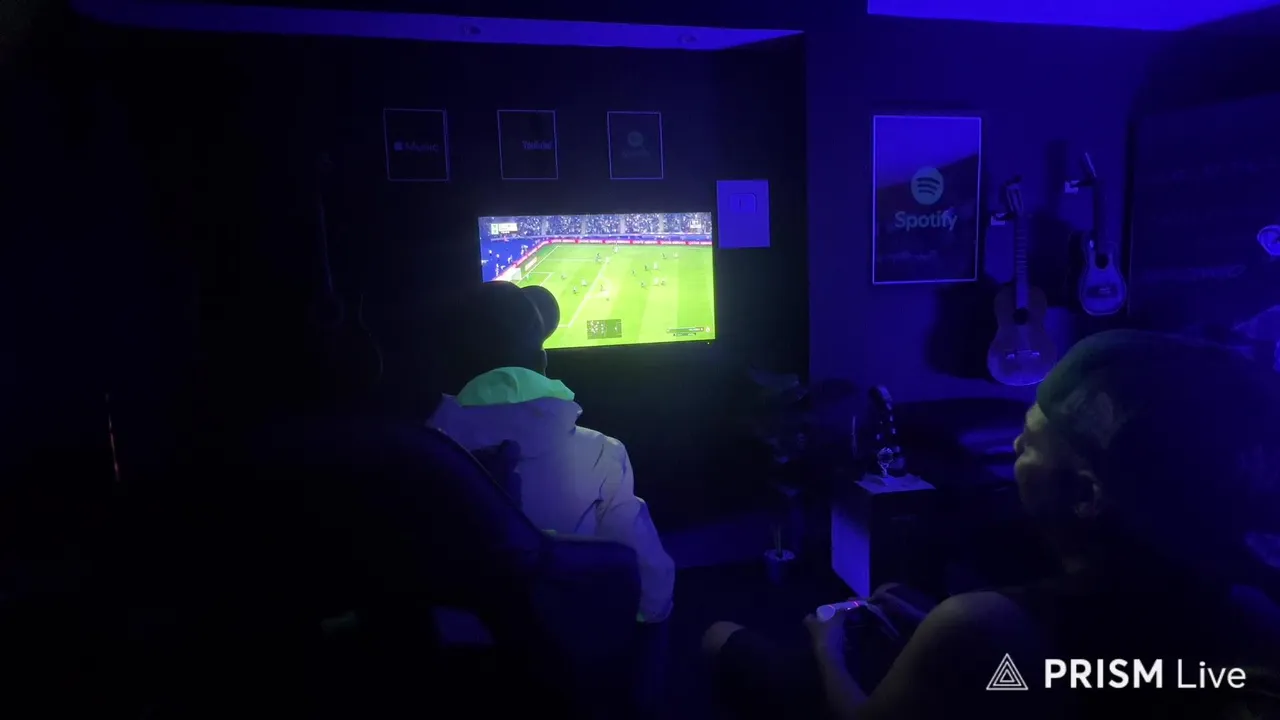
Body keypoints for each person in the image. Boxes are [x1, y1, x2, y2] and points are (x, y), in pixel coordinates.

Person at [704, 330, 1280, 720]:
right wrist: (939, 633)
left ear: (1086, 495)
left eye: (1030, 440)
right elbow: (1085, 674)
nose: (1013, 447)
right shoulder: (1250, 615)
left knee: (720, 637)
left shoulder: (978, 625)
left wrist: (826, 644)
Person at [430, 281, 676, 624]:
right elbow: (652, 591)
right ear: (541, 360)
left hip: (453, 648)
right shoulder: (602, 453)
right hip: (570, 644)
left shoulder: (419, 450)